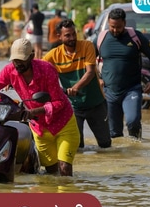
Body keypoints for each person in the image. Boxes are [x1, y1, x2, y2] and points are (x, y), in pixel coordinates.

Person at [0, 38, 80, 176]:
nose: (17, 64)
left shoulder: (47, 70)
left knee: (64, 169)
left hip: (63, 123)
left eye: (21, 60)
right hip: (40, 128)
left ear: (31, 57)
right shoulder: (10, 70)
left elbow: (59, 102)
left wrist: (34, 111)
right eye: (15, 60)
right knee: (51, 174)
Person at [43, 19, 111, 149]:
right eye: (67, 35)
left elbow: (90, 72)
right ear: (59, 36)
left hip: (96, 104)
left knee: (105, 145)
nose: (72, 38)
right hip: (73, 107)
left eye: (74, 34)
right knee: (76, 147)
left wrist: (75, 88)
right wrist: (13, 80)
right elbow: (37, 69)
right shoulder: (54, 55)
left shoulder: (87, 46)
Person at [93, 8, 150, 140]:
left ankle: (137, 148)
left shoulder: (135, 37)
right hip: (109, 92)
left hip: (132, 90)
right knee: (114, 134)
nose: (115, 30)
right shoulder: (101, 39)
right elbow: (88, 63)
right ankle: (122, 159)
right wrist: (97, 79)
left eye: (118, 27)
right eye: (112, 27)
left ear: (125, 23)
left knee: (132, 121)